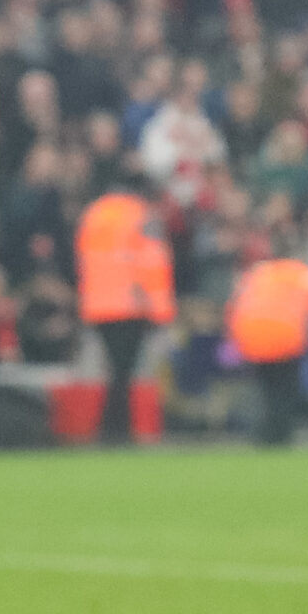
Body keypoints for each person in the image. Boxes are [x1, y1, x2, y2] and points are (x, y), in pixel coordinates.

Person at [75, 169, 176, 443]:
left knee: (115, 372)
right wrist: (160, 312)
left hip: (97, 306)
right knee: (123, 374)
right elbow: (152, 264)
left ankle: (112, 429)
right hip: (130, 306)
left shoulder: (93, 214)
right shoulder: (141, 215)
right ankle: (116, 431)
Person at [226, 247, 308, 445]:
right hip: (286, 337)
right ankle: (280, 435)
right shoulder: (306, 277)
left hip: (251, 336)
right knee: (285, 390)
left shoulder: (257, 274)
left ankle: (264, 434)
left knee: (267, 388)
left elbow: (234, 306)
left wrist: (235, 343)